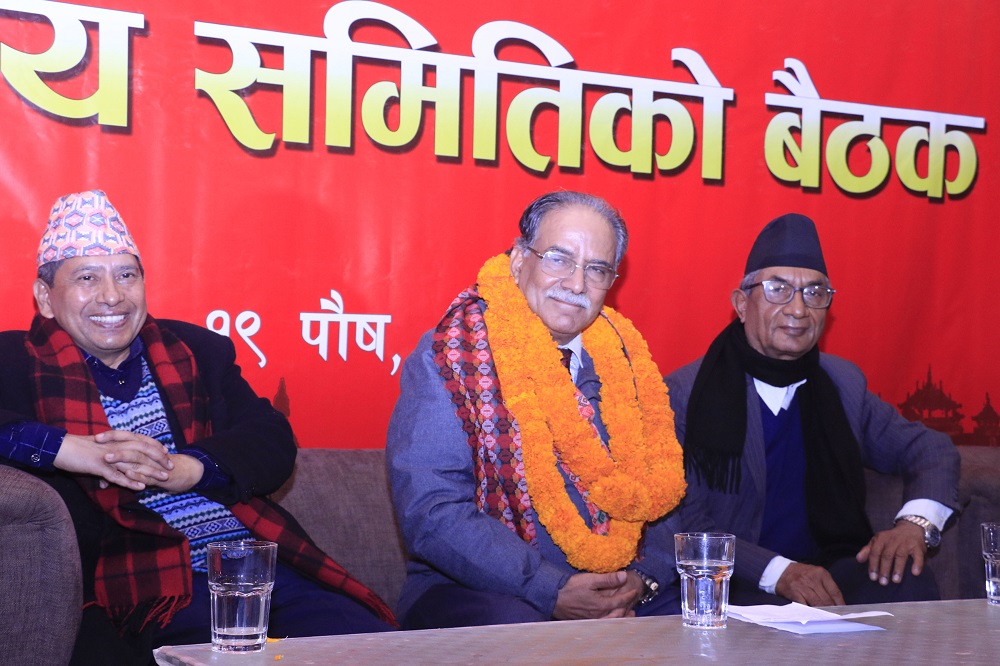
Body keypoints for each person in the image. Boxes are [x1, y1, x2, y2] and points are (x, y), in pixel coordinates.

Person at [0, 190, 395, 665]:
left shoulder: (196, 351)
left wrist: (190, 469)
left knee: (377, 648)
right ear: (46, 298)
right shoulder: (15, 360)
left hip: (249, 568)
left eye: (126, 275)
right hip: (143, 587)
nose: (112, 295)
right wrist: (72, 450)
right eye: (87, 278)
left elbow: (272, 439)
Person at [386, 191, 687, 629]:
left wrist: (641, 580)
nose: (577, 284)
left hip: (622, 585)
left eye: (596, 269)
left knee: (701, 621)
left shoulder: (629, 363)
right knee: (519, 631)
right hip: (484, 590)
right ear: (518, 260)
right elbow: (433, 510)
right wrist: (549, 588)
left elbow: (660, 491)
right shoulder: (450, 358)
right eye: (559, 259)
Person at [664, 212, 961, 607]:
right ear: (741, 304)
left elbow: (930, 449)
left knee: (907, 579)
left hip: (830, 569)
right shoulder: (685, 393)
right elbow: (685, 519)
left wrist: (916, 524)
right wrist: (779, 573)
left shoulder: (842, 383)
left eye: (815, 293)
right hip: (737, 579)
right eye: (778, 289)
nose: (798, 309)